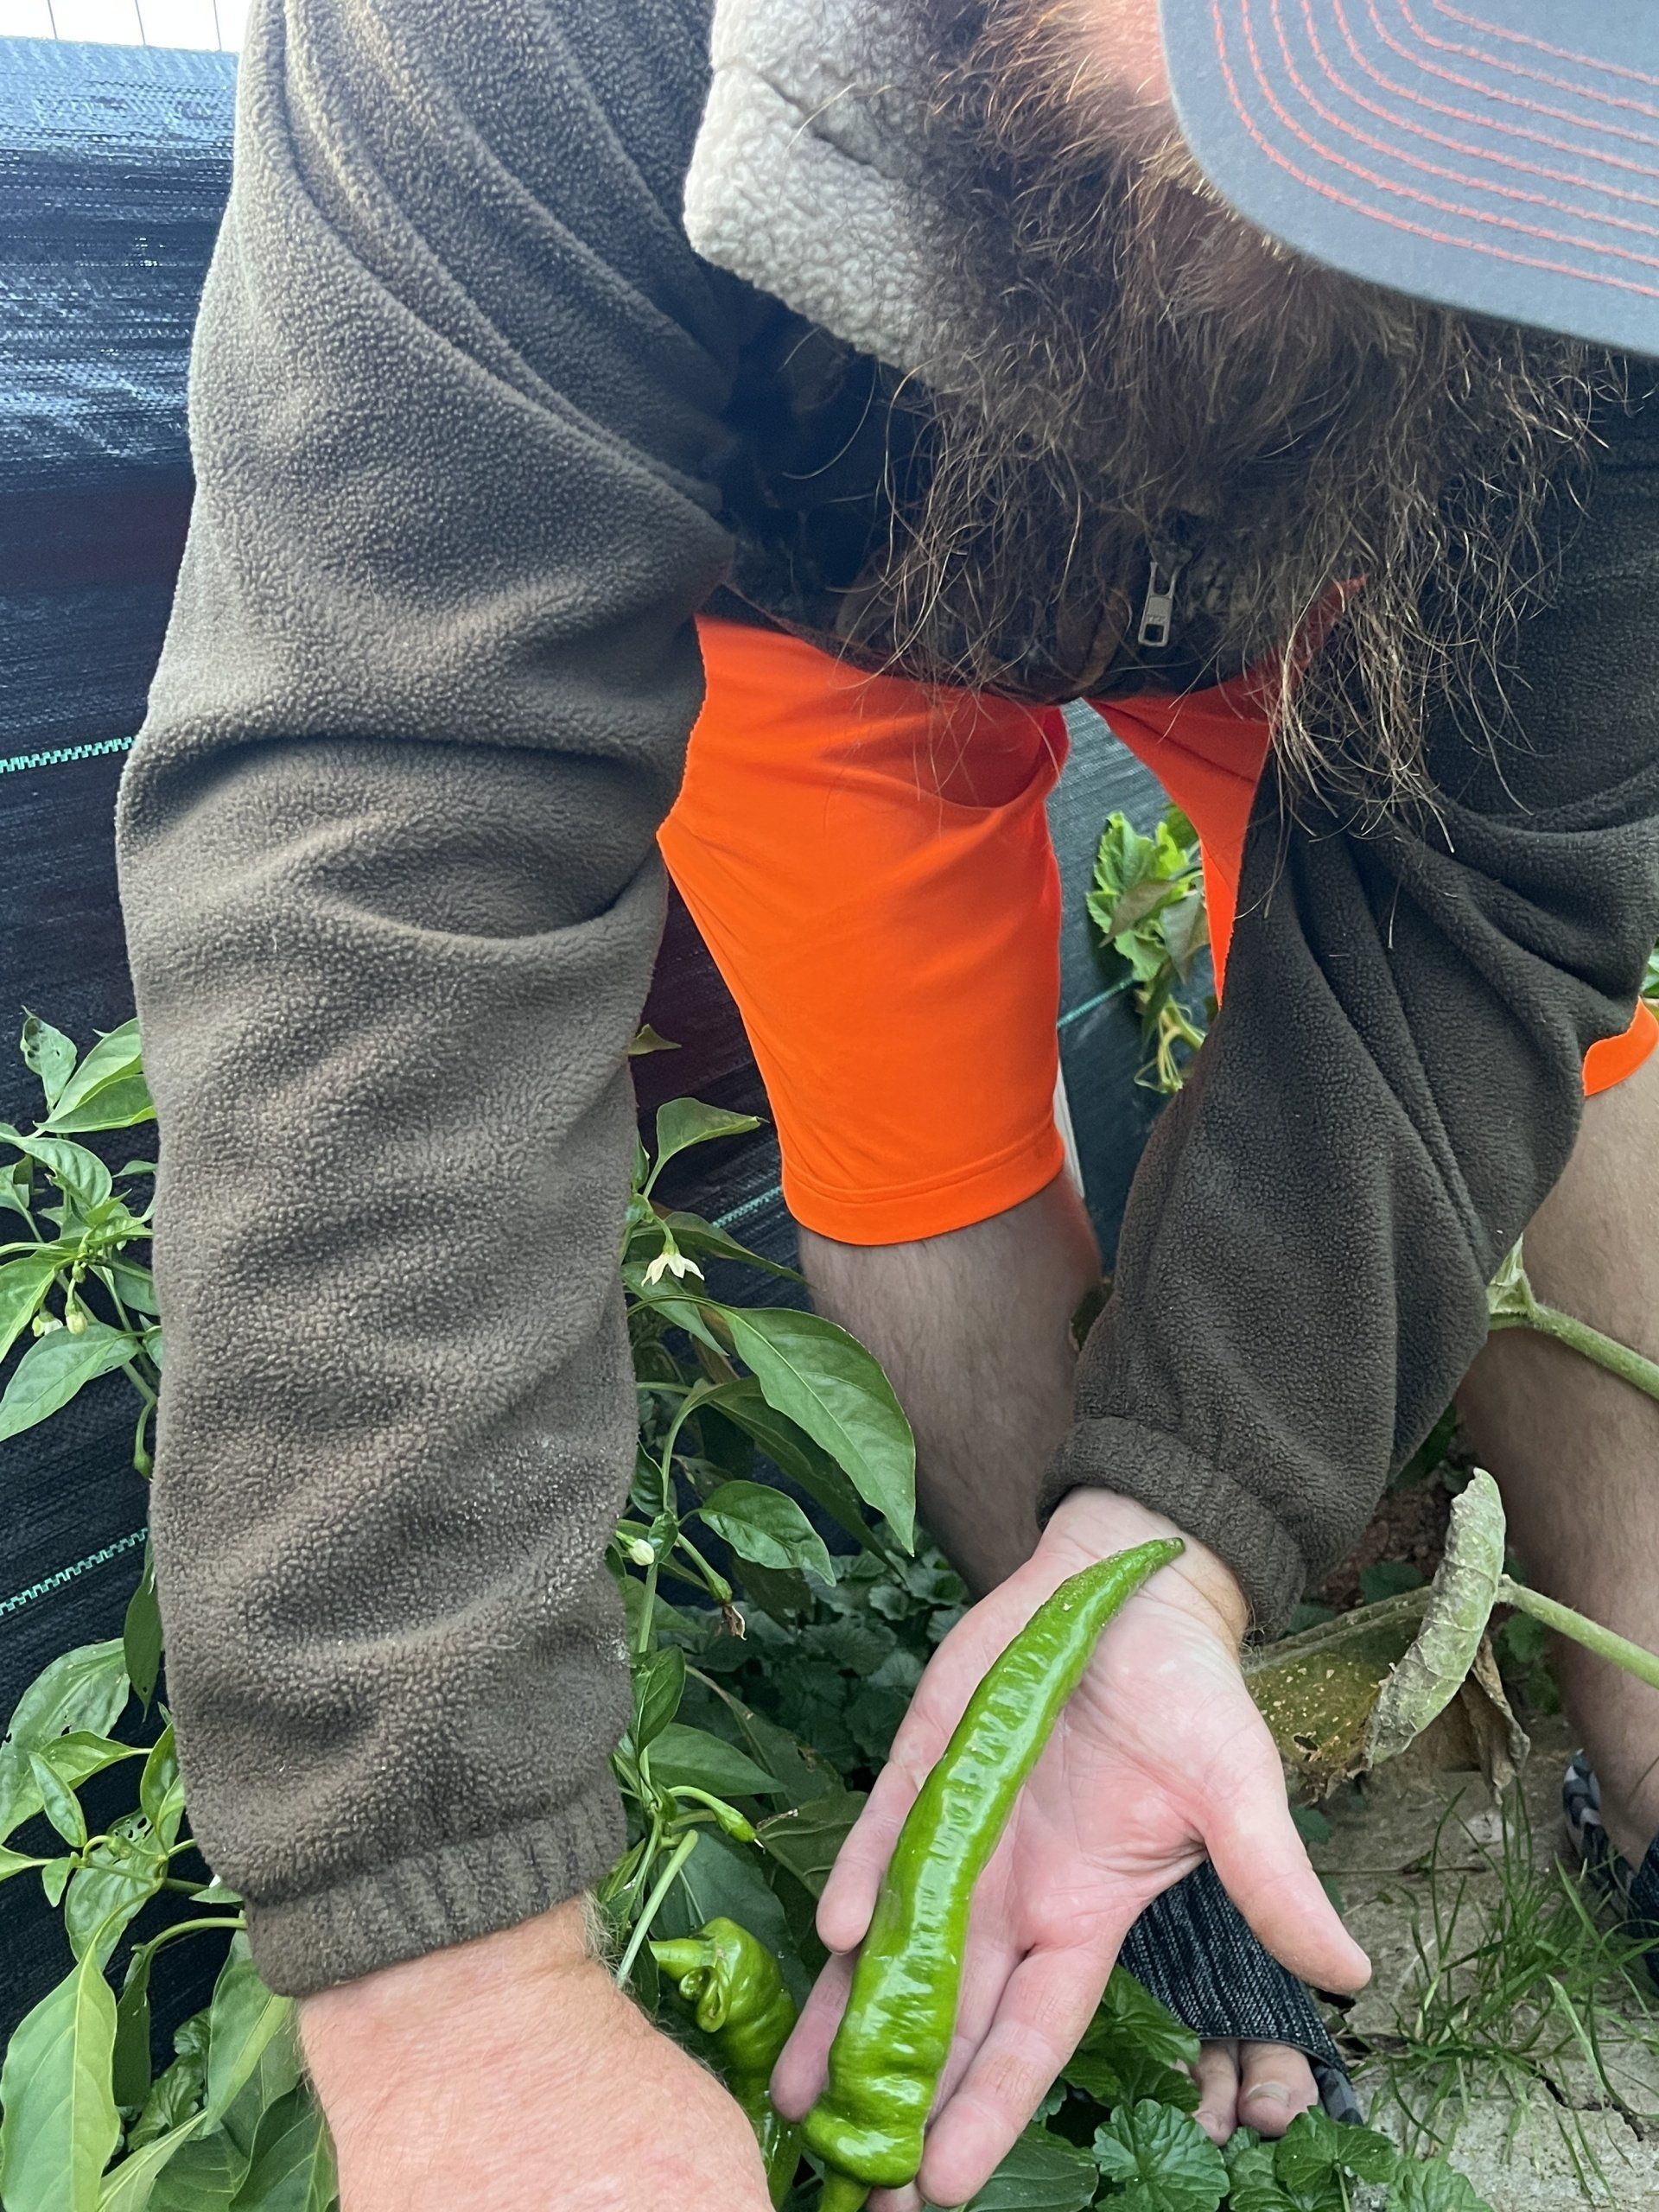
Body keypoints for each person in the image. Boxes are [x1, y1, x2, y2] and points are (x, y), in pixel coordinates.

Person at [113, 0, 1659, 2204]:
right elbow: (392, 825)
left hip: (1372, 514)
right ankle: (1150, 1874)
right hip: (795, 552)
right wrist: (455, 1985)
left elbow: (1484, 886)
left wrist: (1191, 1513)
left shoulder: (1576, 208)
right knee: (924, 1163)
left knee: (1566, 1053)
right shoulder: (504, 45)